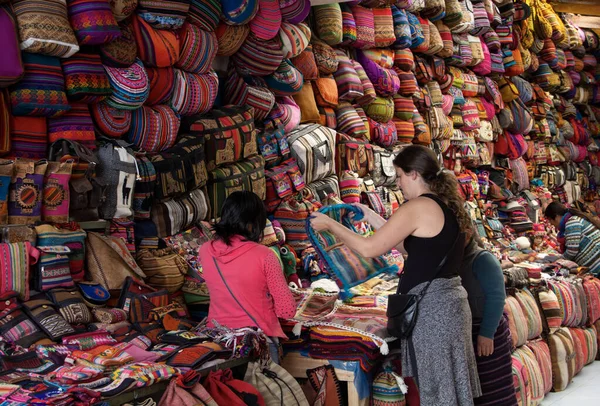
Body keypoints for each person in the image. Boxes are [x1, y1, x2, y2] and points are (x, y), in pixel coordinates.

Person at [310, 145, 481, 405]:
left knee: (438, 392)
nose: (398, 183)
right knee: (449, 390)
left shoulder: (418, 206)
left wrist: (330, 225)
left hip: (434, 311)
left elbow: (369, 248)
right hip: (448, 307)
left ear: (414, 174)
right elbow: (406, 245)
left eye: (400, 175)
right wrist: (372, 216)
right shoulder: (442, 205)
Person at [199, 191, 296, 363]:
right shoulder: (264, 255)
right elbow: (287, 310)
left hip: (220, 342)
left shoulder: (205, 250)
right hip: (257, 342)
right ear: (255, 221)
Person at [460, 237, 517, 406]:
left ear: (467, 232)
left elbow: (497, 297)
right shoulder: (456, 259)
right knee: (480, 392)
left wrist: (486, 333)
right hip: (470, 332)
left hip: (485, 331)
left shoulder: (482, 258)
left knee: (494, 390)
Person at [545, 201, 600, 275]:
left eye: (550, 220)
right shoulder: (572, 220)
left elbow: (572, 251)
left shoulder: (572, 222)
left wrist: (558, 261)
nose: (551, 223)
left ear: (556, 216)